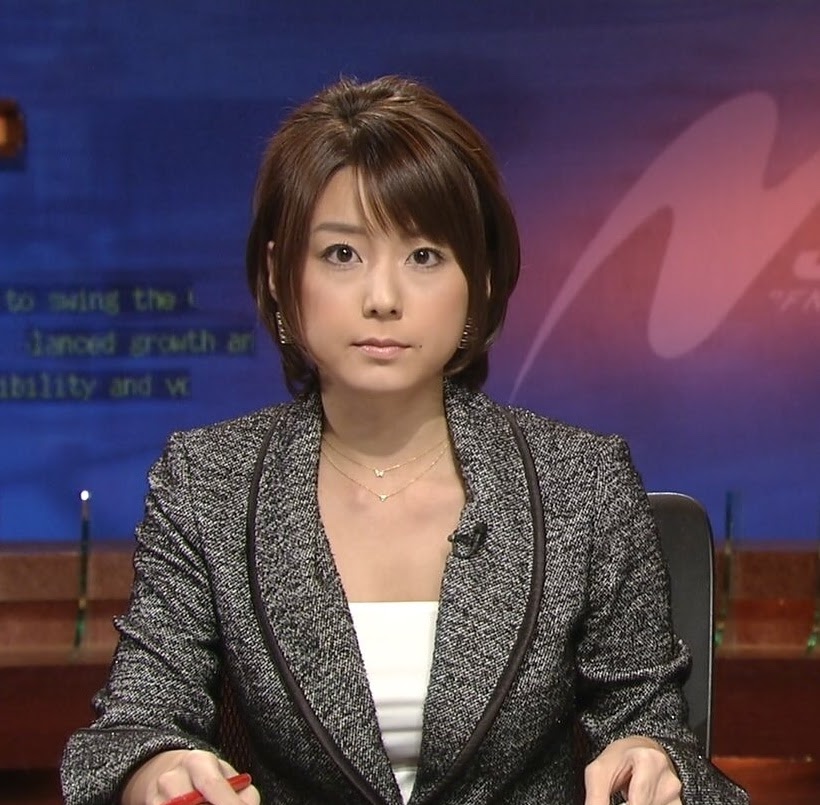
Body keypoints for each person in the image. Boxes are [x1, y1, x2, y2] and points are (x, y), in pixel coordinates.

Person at [61, 75, 747, 805]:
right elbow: (134, 725)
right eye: (341, 254)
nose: (382, 298)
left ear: (480, 282)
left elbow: (649, 721)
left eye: (424, 256)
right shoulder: (208, 483)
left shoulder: (581, 482)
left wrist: (648, 754)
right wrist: (156, 773)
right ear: (279, 274)